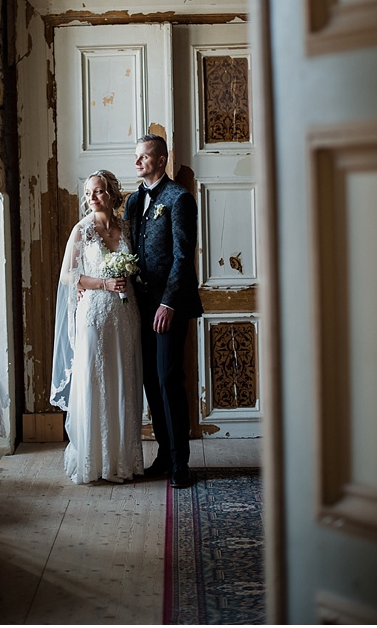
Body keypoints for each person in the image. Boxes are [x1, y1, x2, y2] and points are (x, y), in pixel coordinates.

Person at [50, 170, 144, 485]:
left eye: (99, 192)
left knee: (124, 381)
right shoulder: (82, 230)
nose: (92, 198)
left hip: (125, 314)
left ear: (112, 195)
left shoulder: (126, 228)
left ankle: (122, 461)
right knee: (95, 383)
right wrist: (103, 282)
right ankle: (94, 461)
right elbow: (67, 276)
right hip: (94, 316)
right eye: (89, 193)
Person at [124, 134, 202, 488]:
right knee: (150, 382)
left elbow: (184, 257)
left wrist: (168, 302)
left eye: (144, 157)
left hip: (170, 306)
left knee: (170, 379)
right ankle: (163, 453)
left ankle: (180, 463)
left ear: (161, 160)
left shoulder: (179, 199)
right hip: (138, 305)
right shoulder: (132, 200)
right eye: (136, 156)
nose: (137, 162)